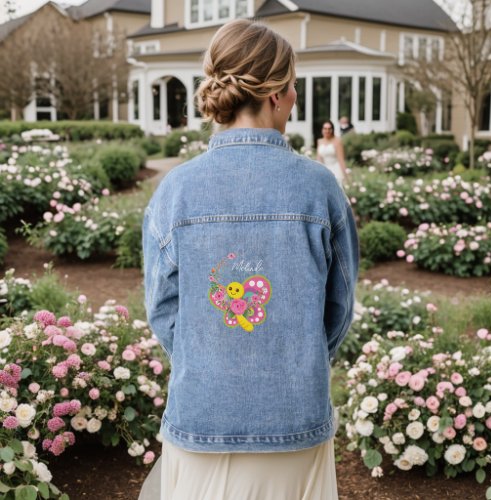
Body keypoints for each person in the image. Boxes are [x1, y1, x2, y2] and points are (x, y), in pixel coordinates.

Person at [141, 19, 358, 500]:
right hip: (294, 416)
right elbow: (339, 309)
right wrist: (295, 358)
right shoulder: (318, 187)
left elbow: (163, 309)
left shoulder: (175, 190)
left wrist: (210, 359)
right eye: (295, 85)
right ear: (278, 94)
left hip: (202, 414)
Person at [316, 120, 349, 185]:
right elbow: (319, 159)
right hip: (324, 170)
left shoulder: (337, 141)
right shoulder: (319, 141)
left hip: (336, 171)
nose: (327, 131)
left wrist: (346, 177)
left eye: (329, 129)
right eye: (325, 128)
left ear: (332, 130)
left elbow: (341, 160)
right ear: (322, 130)